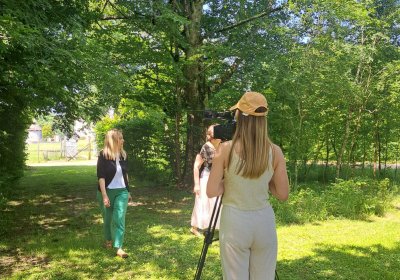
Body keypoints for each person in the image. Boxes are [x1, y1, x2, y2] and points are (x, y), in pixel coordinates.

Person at [207, 91, 289, 280]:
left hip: (235, 221)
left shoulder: (225, 149)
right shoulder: (275, 151)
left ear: (240, 118)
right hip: (264, 221)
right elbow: (282, 194)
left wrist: (231, 181)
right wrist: (263, 182)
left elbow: (211, 191)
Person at [97, 129, 132, 258]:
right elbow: (101, 176)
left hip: (122, 191)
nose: (123, 140)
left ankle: (119, 247)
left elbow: (125, 174)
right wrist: (104, 195)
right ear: (113, 141)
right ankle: (108, 239)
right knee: (108, 218)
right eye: (120, 138)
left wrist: (128, 191)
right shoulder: (103, 155)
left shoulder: (123, 154)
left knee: (119, 217)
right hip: (107, 190)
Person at [190, 125, 222, 237]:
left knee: (217, 203)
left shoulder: (223, 145)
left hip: (219, 178)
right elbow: (196, 166)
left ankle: (217, 227)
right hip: (207, 177)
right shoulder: (206, 147)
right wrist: (197, 185)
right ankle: (194, 228)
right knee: (202, 201)